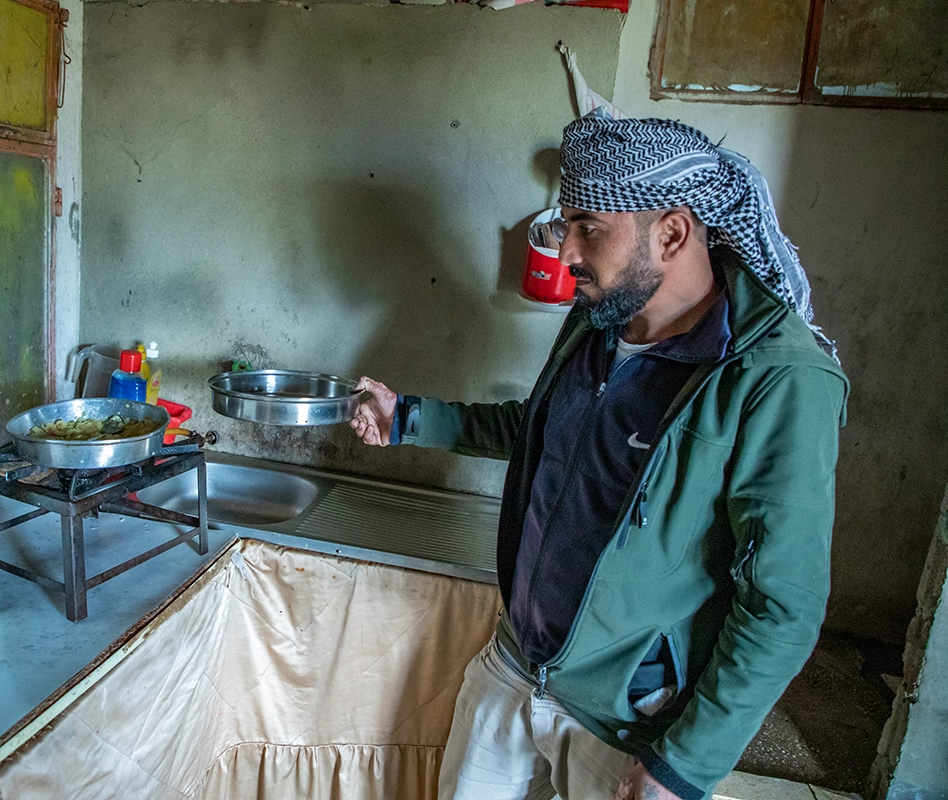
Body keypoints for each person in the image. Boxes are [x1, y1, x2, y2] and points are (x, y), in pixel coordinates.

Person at [349, 116, 848, 800]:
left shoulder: (774, 377)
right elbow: (544, 428)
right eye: (566, 225)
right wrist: (407, 415)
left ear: (671, 233)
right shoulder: (603, 316)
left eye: (589, 227)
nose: (567, 252)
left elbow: (782, 605)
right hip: (518, 663)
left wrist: (684, 766)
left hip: (628, 717)